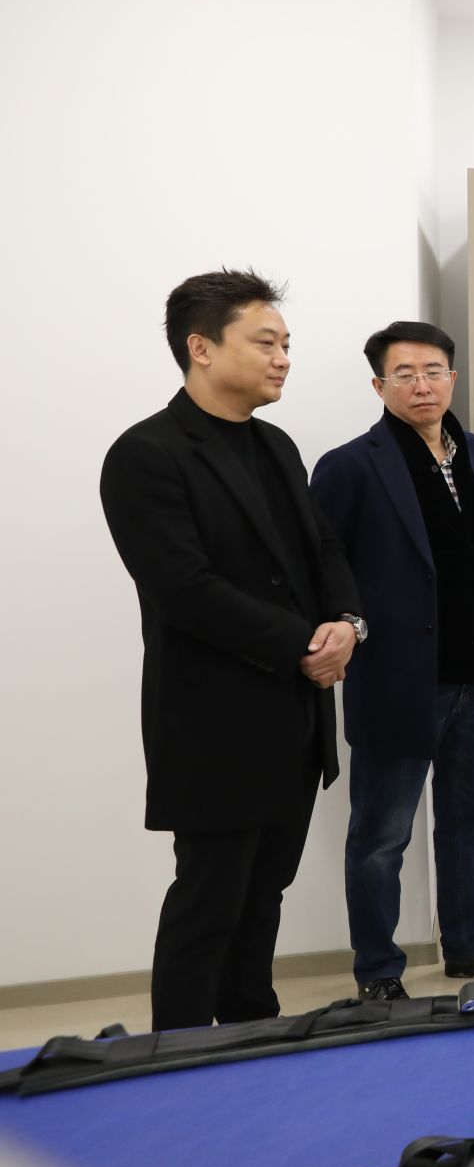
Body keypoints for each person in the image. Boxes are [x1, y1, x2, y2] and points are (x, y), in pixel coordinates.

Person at [100, 270, 362, 1030]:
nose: (283, 358)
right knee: (208, 902)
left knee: (264, 894)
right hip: (213, 722)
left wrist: (347, 623)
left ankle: (253, 1034)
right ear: (202, 348)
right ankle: (180, 1058)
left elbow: (323, 549)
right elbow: (184, 589)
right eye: (266, 342)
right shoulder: (146, 453)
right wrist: (303, 644)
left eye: (286, 344)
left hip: (295, 717)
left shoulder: (276, 445)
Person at [310, 322, 474, 999]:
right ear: (379, 384)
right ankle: (378, 971)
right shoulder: (350, 466)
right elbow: (324, 568)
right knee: (381, 835)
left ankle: (471, 941)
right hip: (398, 678)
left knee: (471, 818)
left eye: (434, 371)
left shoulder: (473, 451)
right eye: (406, 373)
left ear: (452, 377)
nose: (422, 385)